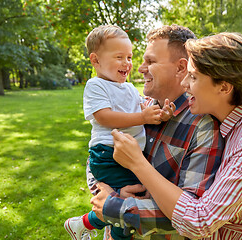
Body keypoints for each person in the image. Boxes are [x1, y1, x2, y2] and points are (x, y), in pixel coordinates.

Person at [93, 32, 242, 239]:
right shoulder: (158, 110)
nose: (184, 83)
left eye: (193, 76)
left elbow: (200, 219)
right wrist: (109, 188)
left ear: (224, 87)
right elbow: (100, 148)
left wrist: (135, 168)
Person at [87, 24, 225, 239]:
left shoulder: (202, 127)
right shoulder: (141, 107)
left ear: (181, 68)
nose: (139, 68)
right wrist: (106, 190)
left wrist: (116, 205)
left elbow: (192, 215)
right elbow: (98, 152)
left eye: (149, 61)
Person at [64, 25, 174, 240]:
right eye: (119, 57)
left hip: (128, 155)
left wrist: (162, 115)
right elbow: (104, 116)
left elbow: (145, 111)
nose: (127, 63)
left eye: (130, 57)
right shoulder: (96, 86)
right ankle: (111, 233)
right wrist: (142, 118)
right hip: (107, 155)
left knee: (127, 199)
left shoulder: (131, 88)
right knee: (125, 203)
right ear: (95, 60)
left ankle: (83, 224)